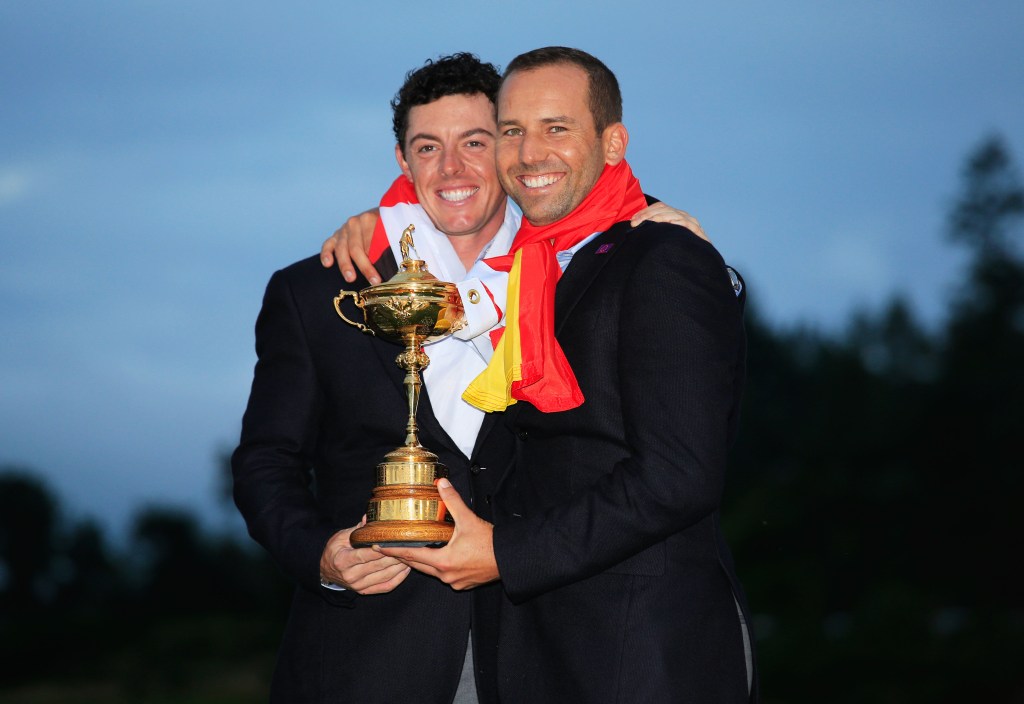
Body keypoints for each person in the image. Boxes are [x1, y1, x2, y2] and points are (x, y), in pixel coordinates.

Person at [233, 52, 708, 704]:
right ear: (403, 162)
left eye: (476, 142)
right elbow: (265, 463)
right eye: (428, 147)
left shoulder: (576, 274)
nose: (451, 169)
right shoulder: (317, 292)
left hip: (547, 652)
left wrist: (676, 239)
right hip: (366, 661)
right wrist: (319, 553)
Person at [380, 47, 758, 703]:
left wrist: (504, 554)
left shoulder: (665, 257)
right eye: (511, 131)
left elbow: (678, 476)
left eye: (557, 128)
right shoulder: (534, 271)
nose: (529, 154)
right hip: (539, 656)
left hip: (644, 659)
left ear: (613, 143)